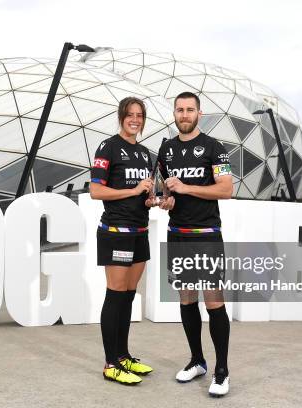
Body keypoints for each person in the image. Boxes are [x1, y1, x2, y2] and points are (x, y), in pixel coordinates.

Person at [155, 91, 233, 397]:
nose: (184, 115)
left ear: (199, 113)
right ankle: (197, 361)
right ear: (174, 114)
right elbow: (167, 190)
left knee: (214, 302)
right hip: (178, 234)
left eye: (190, 110)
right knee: (186, 300)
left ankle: (222, 371)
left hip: (207, 235)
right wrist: (166, 200)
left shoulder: (216, 148)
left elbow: (226, 190)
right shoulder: (166, 150)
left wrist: (186, 186)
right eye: (180, 110)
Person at [89, 97, 155, 385]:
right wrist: (133, 191)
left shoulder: (144, 153)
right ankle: (110, 363)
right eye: (130, 115)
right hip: (116, 231)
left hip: (140, 231)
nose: (135, 120)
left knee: (129, 295)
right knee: (115, 293)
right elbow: (95, 191)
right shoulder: (108, 147)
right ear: (121, 117)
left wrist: (151, 199)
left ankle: (124, 355)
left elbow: (142, 193)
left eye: (140, 115)